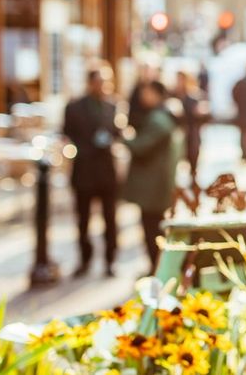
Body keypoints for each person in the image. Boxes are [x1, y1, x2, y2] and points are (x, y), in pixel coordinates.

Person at [62, 68, 120, 277]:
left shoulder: (112, 106)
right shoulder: (75, 107)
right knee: (83, 220)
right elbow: (68, 133)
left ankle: (110, 259)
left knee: (110, 219)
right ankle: (85, 259)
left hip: (106, 172)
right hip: (84, 171)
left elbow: (118, 133)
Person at [123, 81, 181, 273]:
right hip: (156, 186)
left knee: (153, 230)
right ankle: (157, 267)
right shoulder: (160, 116)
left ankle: (158, 269)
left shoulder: (158, 119)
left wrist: (125, 136)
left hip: (154, 188)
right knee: (153, 229)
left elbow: (140, 147)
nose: (143, 97)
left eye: (146, 92)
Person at [174, 70, 209, 176]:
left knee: (192, 156)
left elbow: (203, 113)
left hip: (192, 131)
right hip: (179, 131)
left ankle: (193, 177)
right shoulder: (173, 94)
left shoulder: (194, 96)